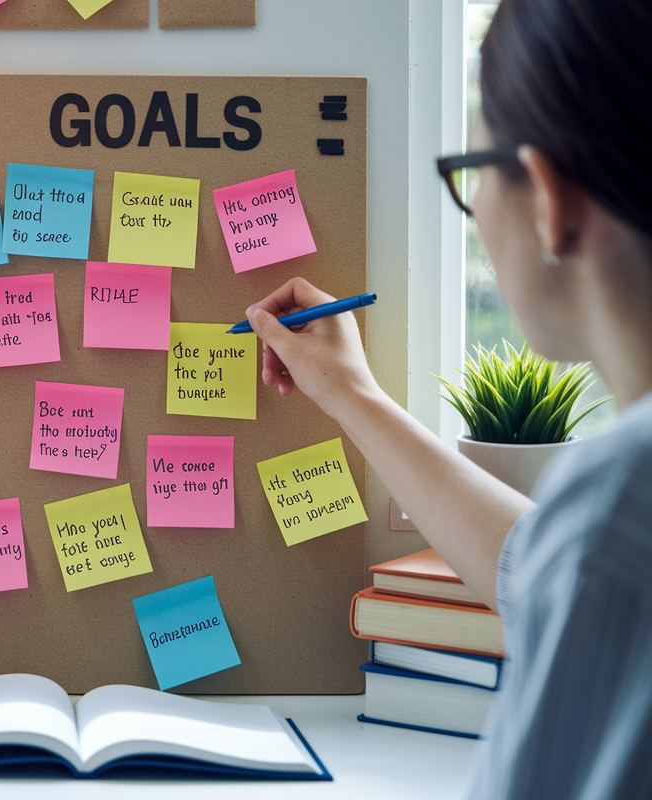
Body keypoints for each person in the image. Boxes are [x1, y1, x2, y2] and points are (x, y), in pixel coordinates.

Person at [242, 0, 652, 797]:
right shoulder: (614, 529)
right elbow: (537, 567)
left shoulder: (620, 506)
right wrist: (353, 395)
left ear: (547, 197)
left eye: (469, 176)